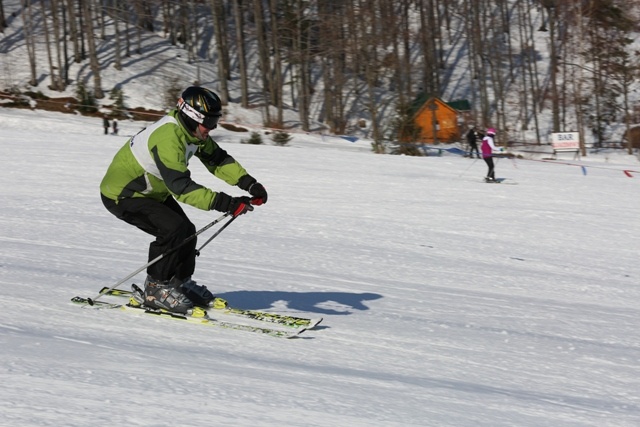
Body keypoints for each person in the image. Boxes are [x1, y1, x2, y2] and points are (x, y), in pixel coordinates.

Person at [99, 86, 268, 314]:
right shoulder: (169, 137)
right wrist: (225, 203)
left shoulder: (192, 132)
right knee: (173, 229)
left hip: (151, 192)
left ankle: (179, 283)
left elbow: (217, 159)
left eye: (215, 121)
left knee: (187, 231)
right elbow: (181, 187)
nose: (212, 128)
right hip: (123, 194)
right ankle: (155, 289)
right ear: (191, 116)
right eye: (208, 122)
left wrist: (249, 183)